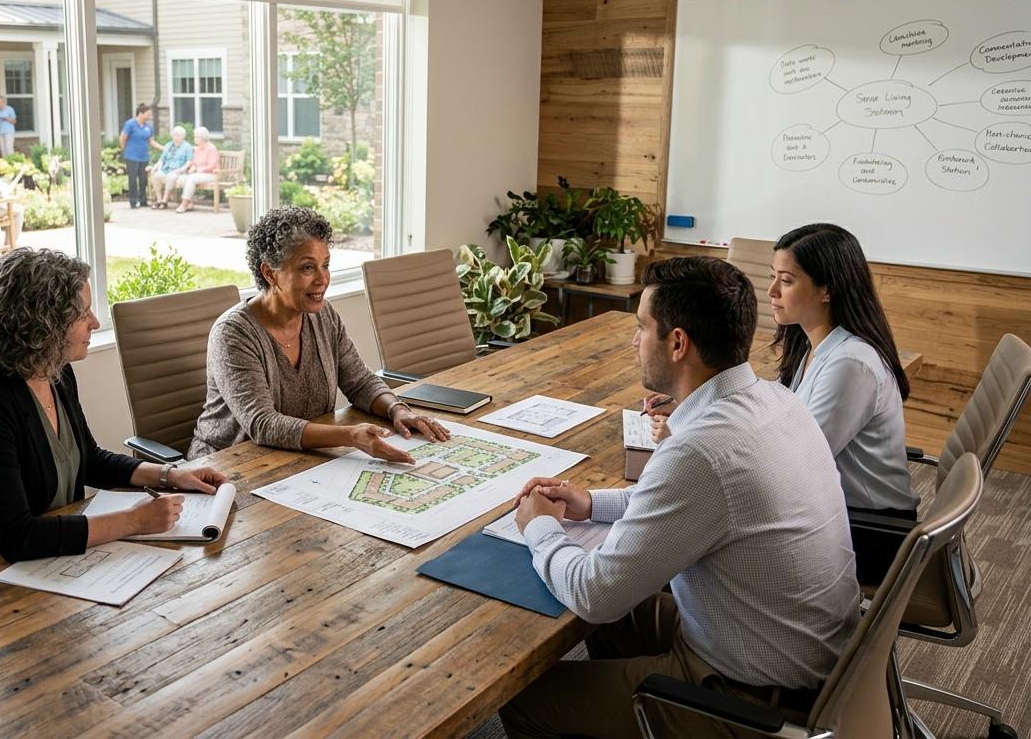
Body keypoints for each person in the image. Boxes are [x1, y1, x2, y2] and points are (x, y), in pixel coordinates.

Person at [499, 256, 860, 739]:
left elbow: (594, 594)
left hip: (750, 696)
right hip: (801, 652)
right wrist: (591, 503)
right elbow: (699, 506)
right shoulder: (775, 400)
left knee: (527, 697)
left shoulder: (700, 451)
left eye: (641, 327)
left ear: (676, 343)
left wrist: (538, 525)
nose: (633, 342)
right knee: (620, 616)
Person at [0, 249, 228, 562]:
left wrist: (172, 475)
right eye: (83, 314)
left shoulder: (55, 371)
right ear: (43, 325)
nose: (95, 322)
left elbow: (89, 460)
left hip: (46, 558)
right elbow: (16, 537)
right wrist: (133, 521)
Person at [646, 224, 917, 585]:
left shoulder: (851, 363)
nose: (771, 292)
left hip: (871, 531)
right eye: (772, 278)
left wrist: (684, 437)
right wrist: (691, 403)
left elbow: (791, 458)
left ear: (826, 290)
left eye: (786, 281)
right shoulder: (812, 343)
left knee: (683, 542)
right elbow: (773, 413)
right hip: (838, 512)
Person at [189, 207, 448, 462]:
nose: (323, 279)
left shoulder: (323, 316)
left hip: (302, 460)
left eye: (325, 265)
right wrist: (351, 436)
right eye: (307, 268)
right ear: (270, 273)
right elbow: (263, 424)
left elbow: (359, 382)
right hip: (226, 469)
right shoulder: (233, 334)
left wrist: (397, 410)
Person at [119, 103, 161, 209]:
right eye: (148, 114)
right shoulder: (130, 124)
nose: (149, 116)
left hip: (144, 157)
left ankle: (143, 201)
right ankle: (133, 201)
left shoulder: (148, 127)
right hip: (132, 157)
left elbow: (151, 141)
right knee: (133, 180)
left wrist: (164, 148)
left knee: (143, 180)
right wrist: (126, 150)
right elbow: (122, 138)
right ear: (140, 114)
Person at [175, 126, 219, 213]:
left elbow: (212, 166)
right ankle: (189, 203)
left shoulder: (211, 148)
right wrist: (192, 168)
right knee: (182, 178)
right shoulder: (197, 149)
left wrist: (198, 170)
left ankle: (184, 204)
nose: (194, 139)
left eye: (196, 137)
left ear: (202, 138)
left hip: (212, 175)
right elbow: (194, 163)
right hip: (199, 174)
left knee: (192, 178)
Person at [149, 125, 192, 209]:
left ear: (183, 136)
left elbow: (189, 161)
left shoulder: (187, 146)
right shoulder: (168, 145)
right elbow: (162, 159)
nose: (175, 137)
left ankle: (165, 201)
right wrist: (155, 167)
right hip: (166, 169)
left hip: (178, 171)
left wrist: (182, 169)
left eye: (178, 135)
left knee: (170, 177)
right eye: (174, 134)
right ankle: (159, 200)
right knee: (156, 176)